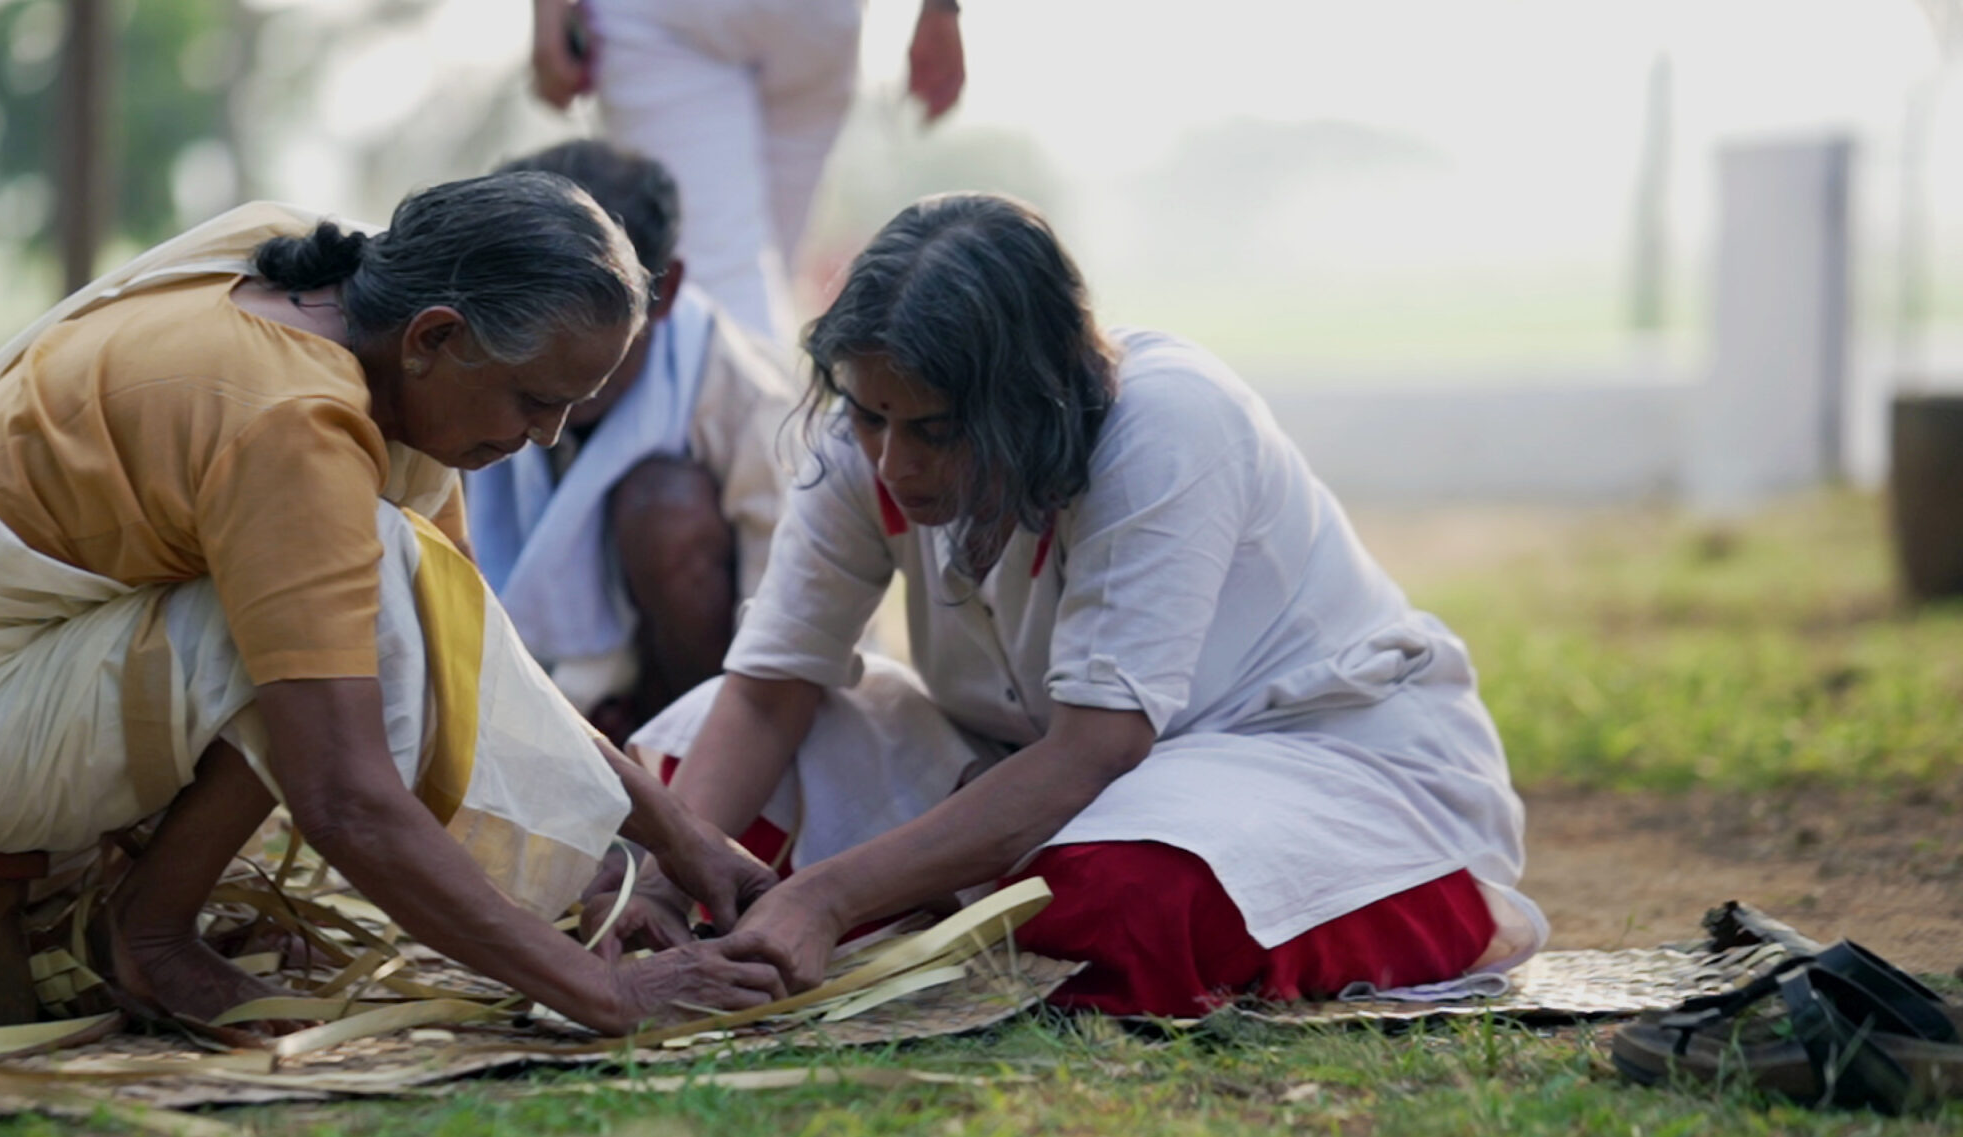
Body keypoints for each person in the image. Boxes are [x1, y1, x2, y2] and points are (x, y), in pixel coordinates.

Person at [0, 175, 784, 1036]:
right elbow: (343, 795)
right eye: (533, 403)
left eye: (567, 415)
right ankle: (152, 935)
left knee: (380, 590)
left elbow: (464, 641)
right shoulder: (296, 425)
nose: (539, 441)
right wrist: (598, 991)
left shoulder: (324, 294)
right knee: (334, 612)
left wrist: (668, 837)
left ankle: (148, 922)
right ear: (435, 337)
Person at [627, 194, 1548, 1016]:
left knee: (1120, 901)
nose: (894, 465)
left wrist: (827, 896)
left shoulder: (1168, 419)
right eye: (873, 418)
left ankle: (922, 905)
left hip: (1304, 765)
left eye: (938, 433)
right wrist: (676, 872)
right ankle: (937, 900)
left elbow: (1100, 744)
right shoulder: (870, 431)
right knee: (683, 771)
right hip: (1026, 769)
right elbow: (767, 690)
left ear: (1033, 401)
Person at [467, 141, 797, 739]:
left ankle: (662, 755)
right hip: (514, 693)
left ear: (663, 294)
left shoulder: (746, 401)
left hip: (687, 708)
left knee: (665, 506)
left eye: (584, 320)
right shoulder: (457, 353)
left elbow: (787, 636)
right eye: (532, 322)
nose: (553, 356)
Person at [529, 0, 968, 348]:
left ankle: (778, 454)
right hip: (805, 24)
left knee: (718, 305)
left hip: (679, 20)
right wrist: (941, 9)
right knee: (747, 301)